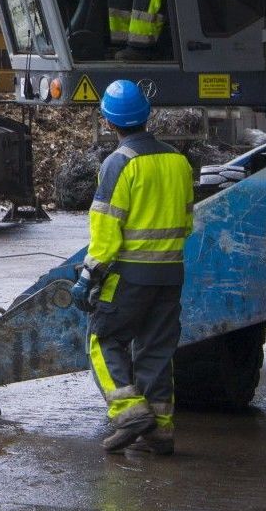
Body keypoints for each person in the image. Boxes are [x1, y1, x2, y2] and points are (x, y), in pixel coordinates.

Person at [72, 80, 195, 454]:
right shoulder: (178, 161)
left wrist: (89, 273)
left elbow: (107, 230)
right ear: (147, 115)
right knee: (156, 350)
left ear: (109, 123)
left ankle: (129, 412)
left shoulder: (118, 164)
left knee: (103, 339)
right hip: (171, 272)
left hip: (128, 275)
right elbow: (188, 220)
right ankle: (159, 432)